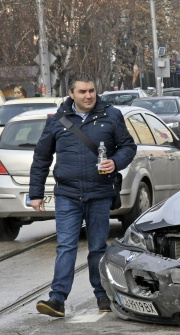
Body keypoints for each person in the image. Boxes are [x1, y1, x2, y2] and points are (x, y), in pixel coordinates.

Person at [29, 72, 137, 317]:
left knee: (97, 247)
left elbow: (129, 146)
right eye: (82, 92)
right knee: (66, 246)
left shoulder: (111, 115)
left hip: (99, 193)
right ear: (71, 94)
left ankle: (103, 296)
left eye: (91, 91)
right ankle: (57, 300)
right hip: (67, 194)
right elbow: (42, 158)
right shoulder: (57, 120)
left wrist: (115, 162)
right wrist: (35, 194)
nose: (88, 96)